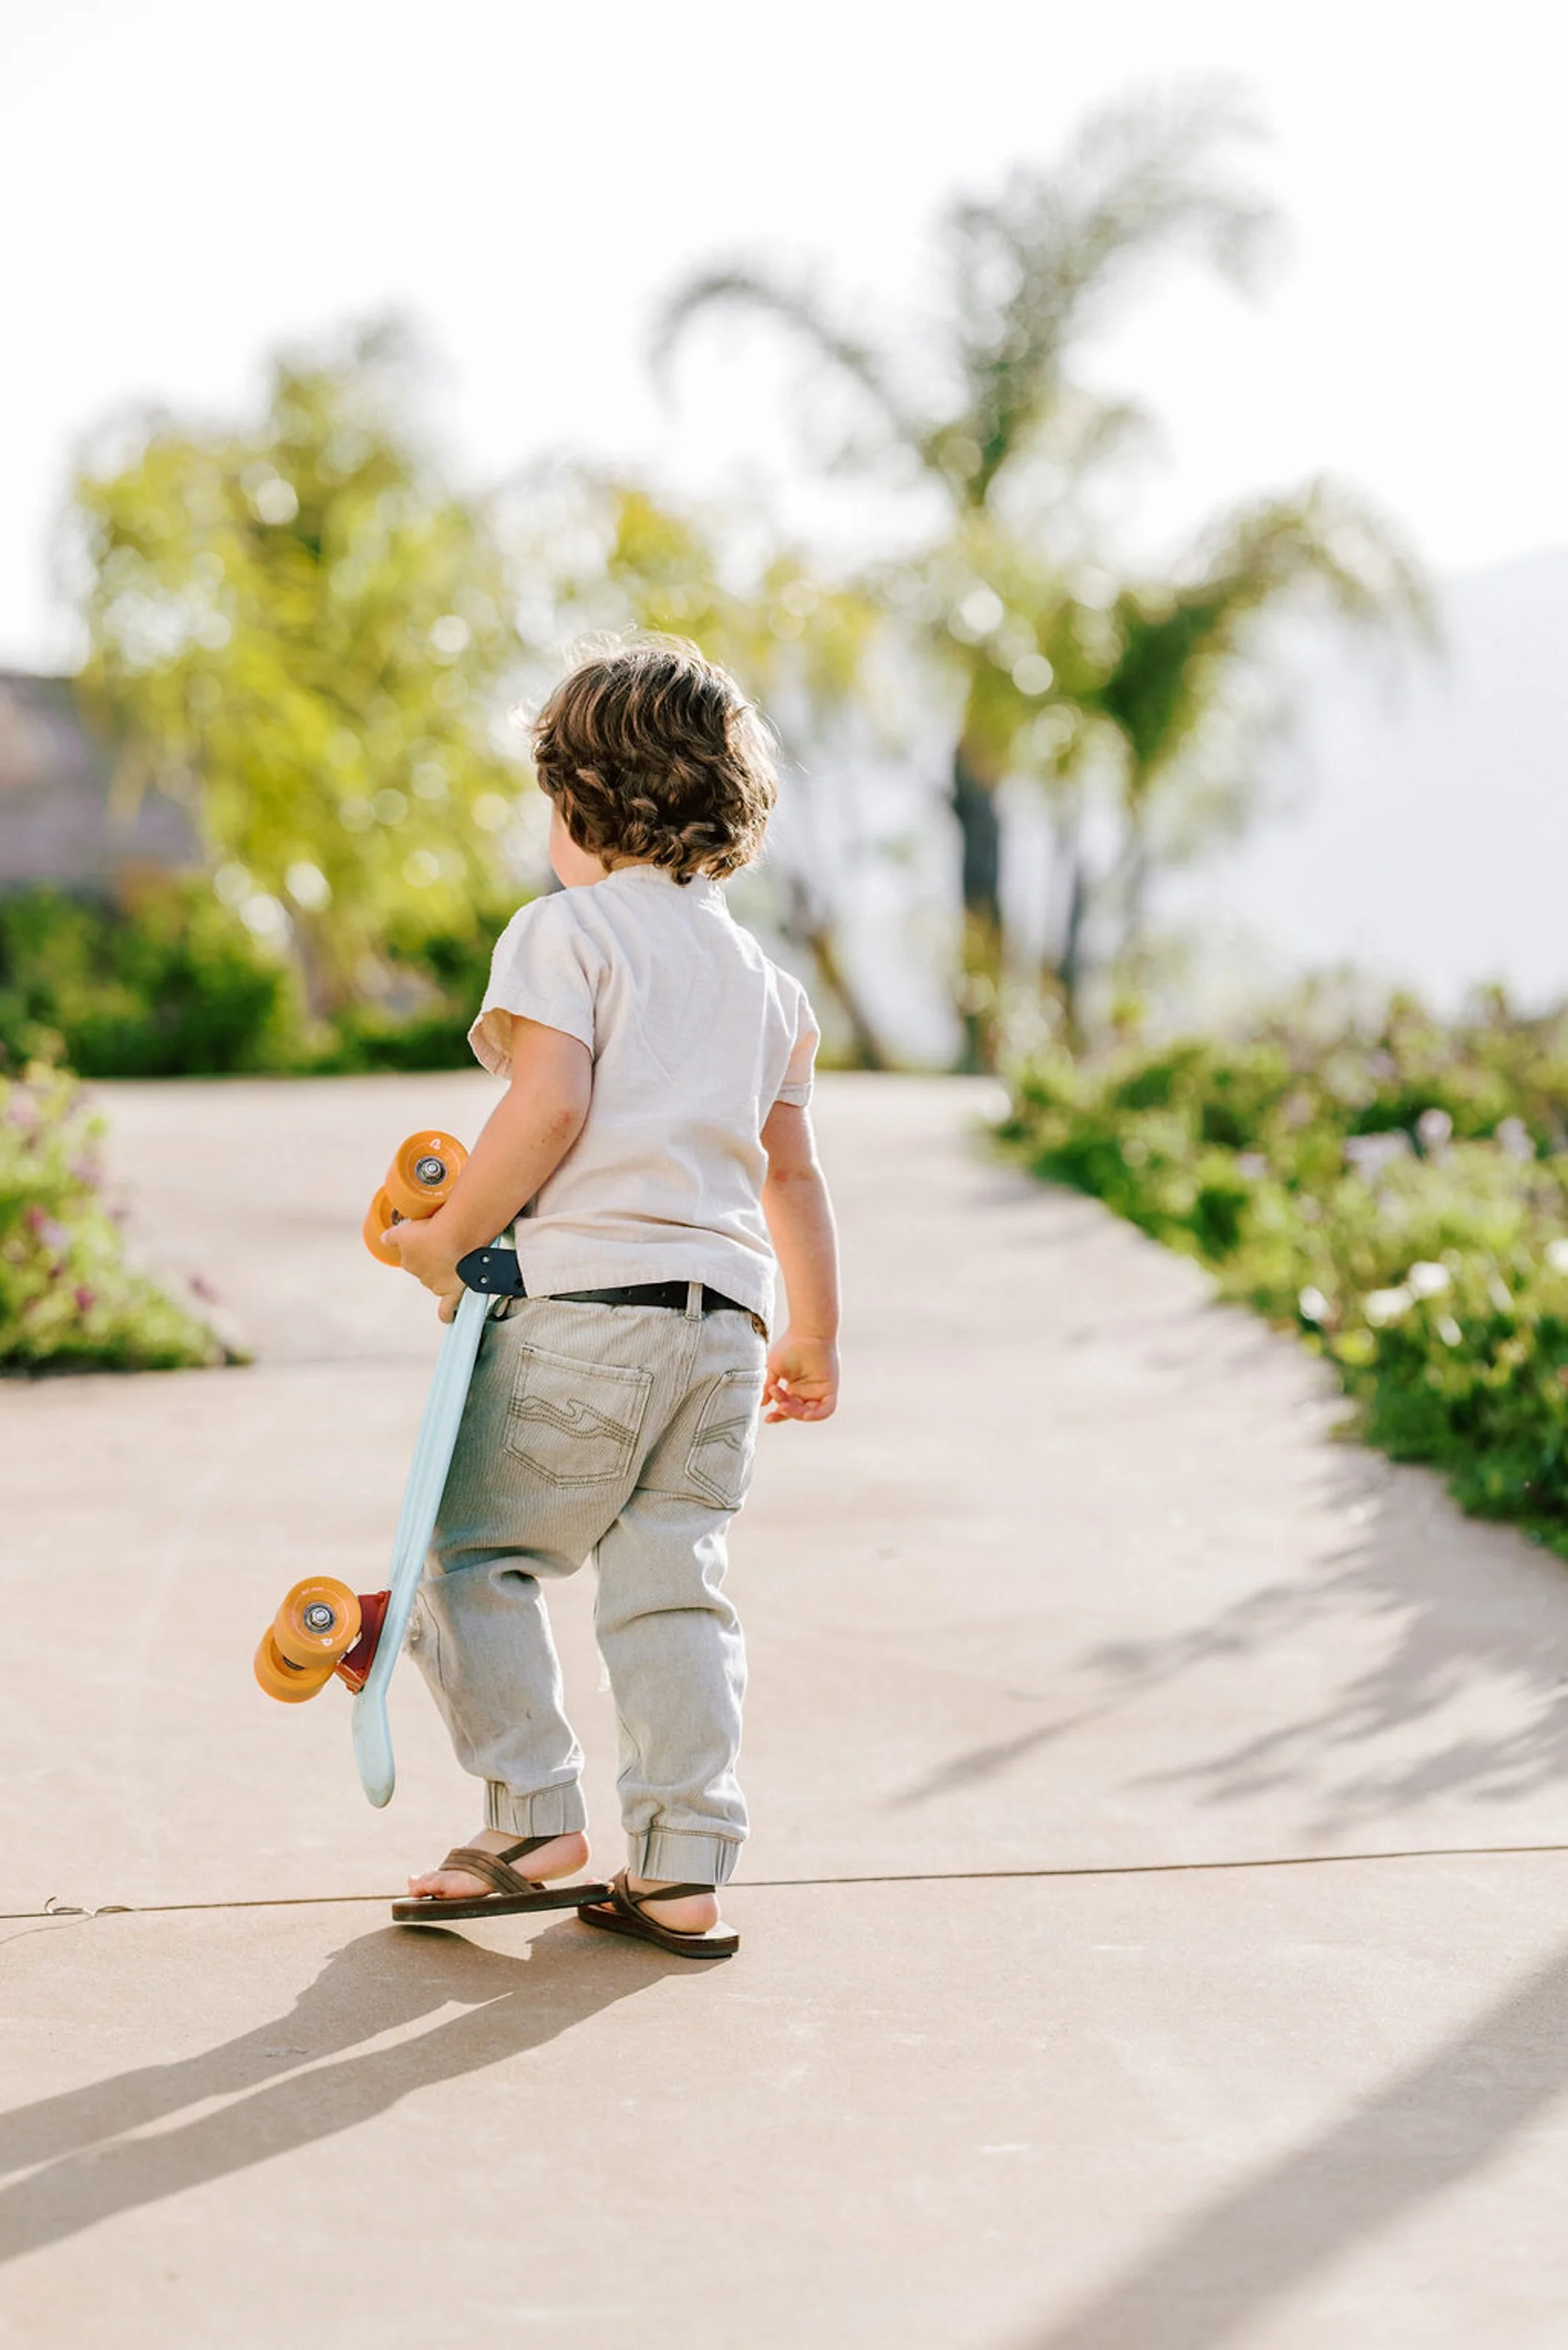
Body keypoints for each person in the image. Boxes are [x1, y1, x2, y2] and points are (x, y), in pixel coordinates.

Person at [382, 638, 840, 1959]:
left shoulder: (562, 933)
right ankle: (684, 1862)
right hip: (722, 1336)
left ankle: (530, 1811)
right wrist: (811, 1331)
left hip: (584, 1316)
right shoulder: (767, 986)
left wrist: (446, 1241)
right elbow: (792, 1173)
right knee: (672, 1593)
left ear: (581, 804)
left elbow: (549, 1107)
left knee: (468, 1558)